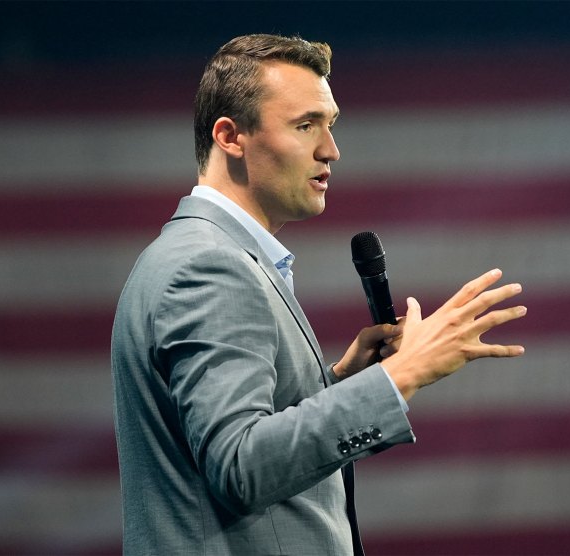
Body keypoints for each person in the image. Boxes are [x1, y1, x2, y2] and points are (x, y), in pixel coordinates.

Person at [111, 33, 526, 555]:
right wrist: (402, 375)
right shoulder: (209, 266)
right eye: (306, 125)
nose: (331, 149)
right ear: (229, 136)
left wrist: (341, 384)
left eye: (330, 125)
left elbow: (236, 440)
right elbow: (240, 467)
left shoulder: (209, 255)